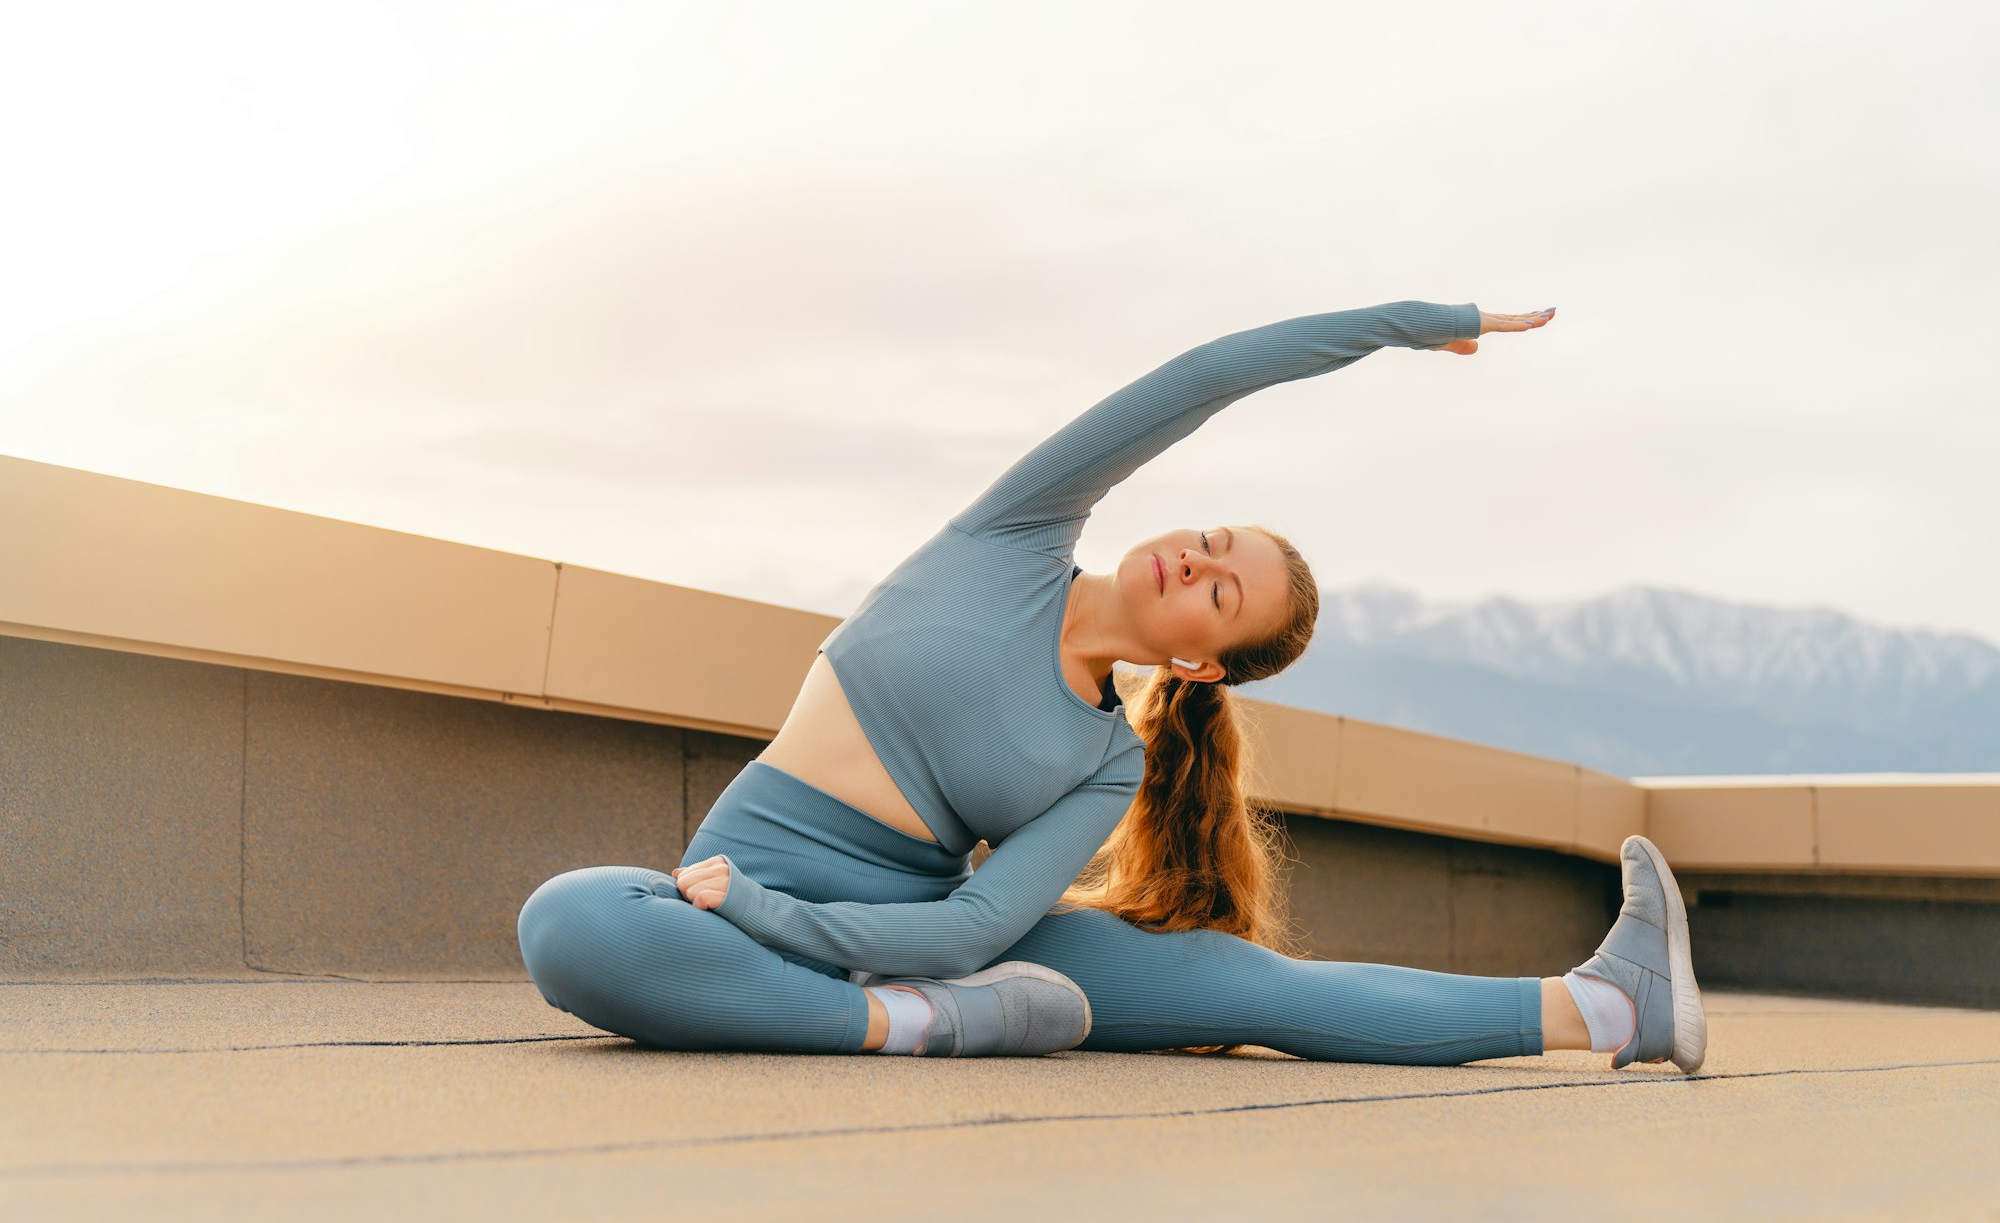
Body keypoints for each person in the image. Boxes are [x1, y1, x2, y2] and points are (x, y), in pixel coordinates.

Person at [517, 299, 1707, 1072]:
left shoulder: (1106, 757)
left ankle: (1606, 1007)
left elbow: (978, 924)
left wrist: (782, 926)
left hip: (922, 943)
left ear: (1194, 661)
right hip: (761, 899)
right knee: (571, 921)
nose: (1194, 558)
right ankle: (900, 1030)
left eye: (1220, 591)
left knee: (1247, 986)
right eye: (1210, 538)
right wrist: (1399, 324)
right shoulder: (1010, 535)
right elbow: (1197, 376)